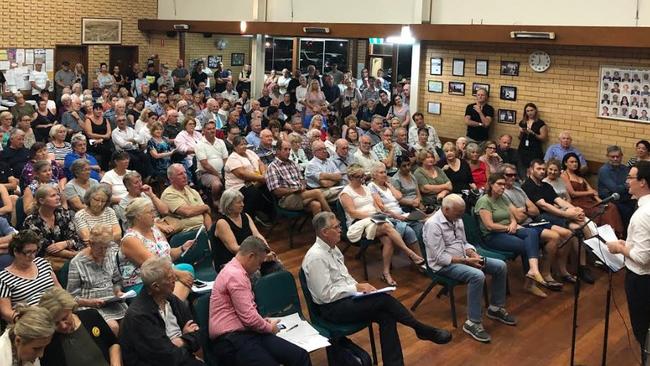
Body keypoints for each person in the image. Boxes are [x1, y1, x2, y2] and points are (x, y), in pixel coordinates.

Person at [303, 211, 451, 365]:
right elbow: (325, 294)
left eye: (340, 225)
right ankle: (419, 328)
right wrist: (356, 288)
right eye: (337, 227)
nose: (341, 229)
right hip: (331, 309)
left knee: (386, 316)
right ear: (325, 232)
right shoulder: (316, 257)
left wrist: (360, 290)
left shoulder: (333, 248)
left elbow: (344, 278)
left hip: (345, 300)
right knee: (383, 301)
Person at [424, 194, 515, 342]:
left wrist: (472, 252)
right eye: (458, 213)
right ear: (446, 209)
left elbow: (463, 242)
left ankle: (495, 308)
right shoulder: (432, 225)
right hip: (444, 266)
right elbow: (440, 258)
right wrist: (466, 261)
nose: (461, 216)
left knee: (500, 266)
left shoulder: (457, 219)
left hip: (464, 259)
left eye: (462, 212)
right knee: (477, 275)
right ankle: (473, 322)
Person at [209, 236, 308, 366]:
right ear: (251, 256)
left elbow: (248, 314)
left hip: (248, 332)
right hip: (231, 339)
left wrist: (261, 322)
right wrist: (268, 327)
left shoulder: (237, 272)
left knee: (300, 355)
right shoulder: (235, 275)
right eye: (259, 263)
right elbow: (249, 318)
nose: (258, 268)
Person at [340, 164, 424, 286]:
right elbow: (353, 212)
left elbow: (376, 206)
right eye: (358, 177)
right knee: (386, 226)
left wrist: (380, 214)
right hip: (358, 223)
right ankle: (409, 252)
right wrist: (372, 215)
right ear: (350, 178)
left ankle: (386, 273)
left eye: (362, 176)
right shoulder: (346, 193)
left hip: (375, 220)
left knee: (388, 238)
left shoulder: (366, 188)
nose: (361, 179)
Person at [476, 173, 549, 297]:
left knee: (532, 233)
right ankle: (530, 282)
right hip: (492, 236)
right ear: (490, 184)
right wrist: (507, 227)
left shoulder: (502, 198)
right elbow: (489, 225)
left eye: (504, 184)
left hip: (508, 229)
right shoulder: (484, 201)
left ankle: (533, 270)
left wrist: (514, 224)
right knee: (526, 245)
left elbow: (512, 217)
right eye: (499, 184)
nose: (503, 187)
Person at [522, 160, 595, 284]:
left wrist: (574, 209)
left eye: (543, 169)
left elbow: (559, 201)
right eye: (538, 169)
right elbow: (544, 205)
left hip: (552, 214)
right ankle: (561, 270)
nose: (542, 171)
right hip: (538, 218)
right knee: (570, 232)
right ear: (531, 169)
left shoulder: (546, 186)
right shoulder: (527, 186)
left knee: (578, 227)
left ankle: (575, 267)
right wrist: (567, 214)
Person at [120, 257, 203, 366]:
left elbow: (197, 333)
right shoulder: (139, 315)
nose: (175, 279)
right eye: (170, 278)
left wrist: (179, 341)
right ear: (156, 286)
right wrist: (185, 340)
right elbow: (165, 357)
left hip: (181, 358)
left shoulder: (170, 298)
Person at [607, 161, 650, 359]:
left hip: (641, 280)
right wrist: (630, 244)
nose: (627, 182)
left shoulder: (642, 214)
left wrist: (620, 248)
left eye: (630, 177)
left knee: (643, 331)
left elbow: (642, 258)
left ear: (642, 182)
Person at [119, 197, 195, 299]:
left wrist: (182, 248)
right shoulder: (130, 239)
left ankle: (172, 306)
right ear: (138, 216)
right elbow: (154, 265)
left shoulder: (155, 230)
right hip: (143, 283)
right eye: (150, 212)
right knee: (182, 275)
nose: (154, 215)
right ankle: (174, 307)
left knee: (187, 269)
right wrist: (177, 274)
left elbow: (167, 255)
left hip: (165, 276)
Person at [66, 225, 125, 335]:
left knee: (132, 321)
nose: (104, 252)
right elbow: (71, 297)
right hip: (90, 305)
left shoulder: (110, 253)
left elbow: (117, 281)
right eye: (100, 248)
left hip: (111, 301)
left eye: (106, 247)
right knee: (113, 327)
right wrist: (90, 302)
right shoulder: (77, 262)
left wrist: (118, 292)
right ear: (91, 244)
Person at [39, 287, 121, 365]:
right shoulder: (48, 342)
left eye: (65, 318)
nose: (63, 326)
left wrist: (115, 363)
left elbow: (112, 343)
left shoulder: (91, 316)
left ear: (71, 308)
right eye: (56, 323)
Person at [0, 229, 60, 322]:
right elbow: (5, 312)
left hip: (56, 313)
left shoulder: (42, 262)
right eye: (28, 252)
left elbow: (59, 290)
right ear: (16, 251)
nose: (32, 256)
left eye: (35, 251)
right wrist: (23, 320)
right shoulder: (4, 278)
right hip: (31, 321)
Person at [561, 152, 624, 238]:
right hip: (578, 203)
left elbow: (593, 191)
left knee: (611, 206)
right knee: (601, 212)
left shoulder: (580, 177)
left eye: (576, 162)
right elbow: (573, 193)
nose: (574, 164)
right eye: (571, 162)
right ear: (565, 163)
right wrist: (590, 192)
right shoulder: (564, 175)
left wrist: (600, 201)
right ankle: (605, 236)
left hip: (589, 201)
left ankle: (615, 234)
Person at [266, 140, 331, 214]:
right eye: (285, 149)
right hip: (286, 199)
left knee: (316, 205)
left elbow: (302, 179)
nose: (288, 152)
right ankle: (333, 218)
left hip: (300, 194)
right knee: (317, 192)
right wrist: (294, 190)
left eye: (289, 149)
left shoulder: (293, 164)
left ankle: (324, 225)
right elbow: (276, 191)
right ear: (278, 151)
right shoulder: (272, 167)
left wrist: (302, 186)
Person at [23, 185, 81, 264]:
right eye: (53, 196)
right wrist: (74, 254)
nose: (58, 197)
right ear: (42, 201)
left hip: (68, 254)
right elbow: (46, 248)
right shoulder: (31, 221)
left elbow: (75, 237)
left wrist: (65, 243)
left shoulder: (63, 214)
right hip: (43, 260)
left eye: (57, 194)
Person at [224, 136, 273, 225]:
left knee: (270, 188)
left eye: (245, 144)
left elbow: (260, 163)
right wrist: (261, 178)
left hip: (257, 180)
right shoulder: (232, 158)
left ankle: (271, 213)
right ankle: (249, 218)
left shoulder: (250, 152)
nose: (244, 146)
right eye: (241, 145)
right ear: (235, 147)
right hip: (238, 186)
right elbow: (242, 174)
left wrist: (263, 174)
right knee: (253, 192)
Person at [161, 164, 212, 233]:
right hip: (188, 231)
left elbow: (206, 213)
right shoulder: (169, 194)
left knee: (221, 224)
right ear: (171, 178)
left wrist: (209, 231)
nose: (185, 176)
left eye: (185, 172)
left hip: (203, 228)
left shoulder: (192, 191)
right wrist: (205, 207)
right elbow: (187, 212)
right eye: (180, 174)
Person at [599, 145, 636, 226]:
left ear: (621, 156)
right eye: (612, 157)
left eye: (617, 156)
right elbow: (615, 189)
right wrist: (626, 186)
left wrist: (624, 186)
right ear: (607, 157)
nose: (615, 159)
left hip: (626, 199)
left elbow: (631, 183)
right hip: (610, 200)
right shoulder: (604, 170)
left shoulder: (625, 168)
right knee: (627, 212)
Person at [83, 102, 113, 172]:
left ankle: (106, 169)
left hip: (104, 140)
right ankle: (103, 170)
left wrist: (102, 139)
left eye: (100, 109)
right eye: (97, 109)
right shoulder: (88, 120)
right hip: (93, 141)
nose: (99, 111)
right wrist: (102, 137)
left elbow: (108, 133)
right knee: (105, 150)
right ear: (93, 110)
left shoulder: (105, 120)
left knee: (110, 148)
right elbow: (89, 134)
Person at [517, 103, 548, 172]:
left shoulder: (540, 123)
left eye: (531, 110)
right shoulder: (522, 122)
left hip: (535, 148)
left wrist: (533, 133)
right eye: (527, 111)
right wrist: (521, 132)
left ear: (535, 111)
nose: (530, 113)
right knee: (522, 166)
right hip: (523, 147)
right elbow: (519, 137)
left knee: (534, 167)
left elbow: (543, 138)